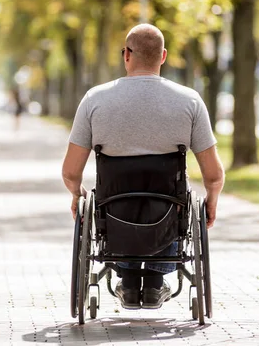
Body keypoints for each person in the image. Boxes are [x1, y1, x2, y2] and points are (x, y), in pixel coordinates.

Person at [61, 24, 225, 310]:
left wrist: (77, 194)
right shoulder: (189, 101)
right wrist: (212, 200)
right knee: (174, 200)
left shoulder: (94, 100)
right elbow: (213, 175)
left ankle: (127, 278)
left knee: (109, 203)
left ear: (126, 55)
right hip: (167, 213)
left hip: (114, 213)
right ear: (163, 56)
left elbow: (71, 172)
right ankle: (153, 283)